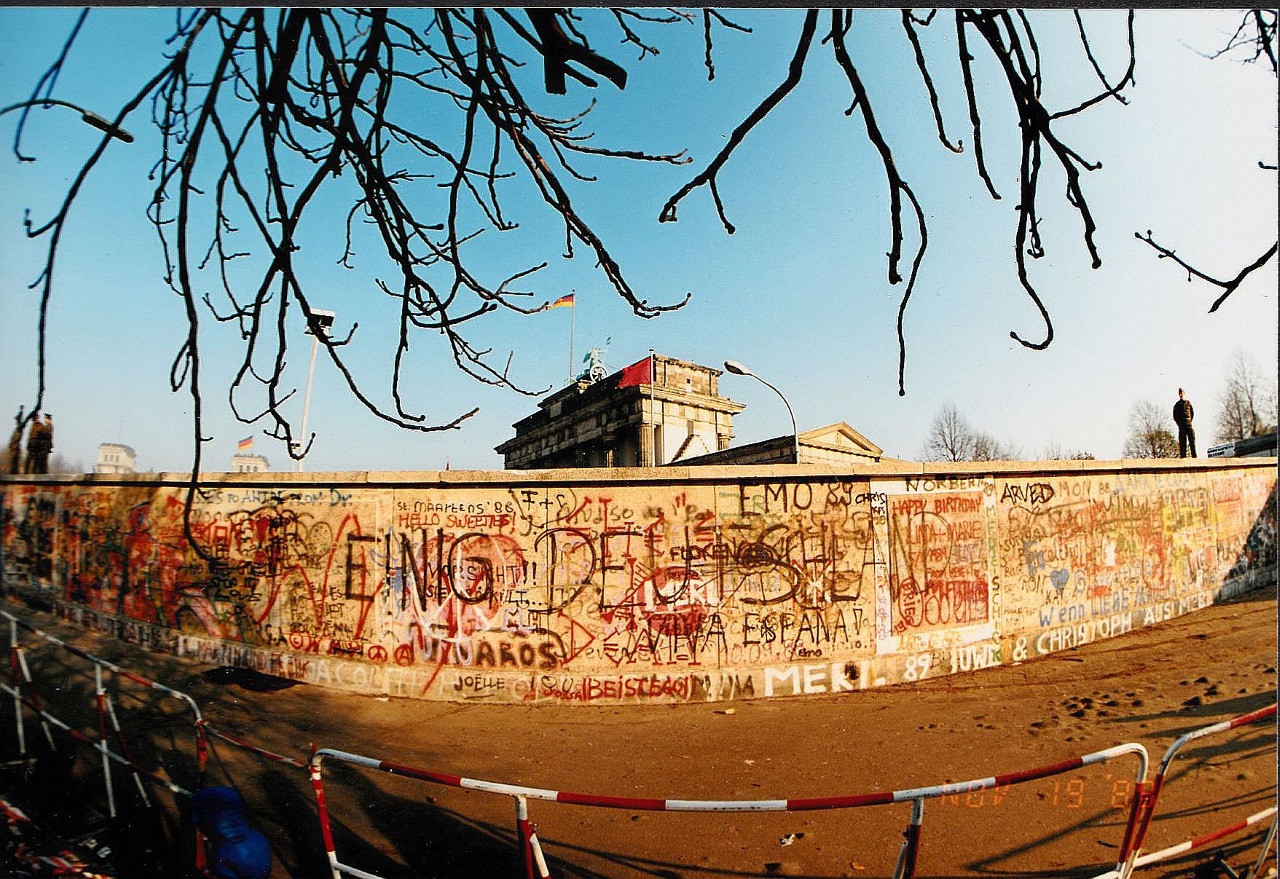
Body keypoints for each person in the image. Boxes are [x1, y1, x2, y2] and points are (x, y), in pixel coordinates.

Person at [1173, 388, 1196, 458]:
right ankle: (1183, 458)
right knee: (1182, 443)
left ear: (1184, 393)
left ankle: (1194, 456)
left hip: (1188, 425)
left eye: (1181, 393)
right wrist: (1179, 424)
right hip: (1181, 426)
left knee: (1192, 442)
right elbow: (1175, 416)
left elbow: (1192, 413)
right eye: (1179, 393)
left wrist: (1189, 421)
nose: (1180, 394)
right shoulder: (1177, 405)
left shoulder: (1188, 403)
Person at [5, 406, 23, 474]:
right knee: (13, 463)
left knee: (15, 463)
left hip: (15, 448)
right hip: (13, 448)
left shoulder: (19, 428)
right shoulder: (16, 429)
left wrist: (21, 411)